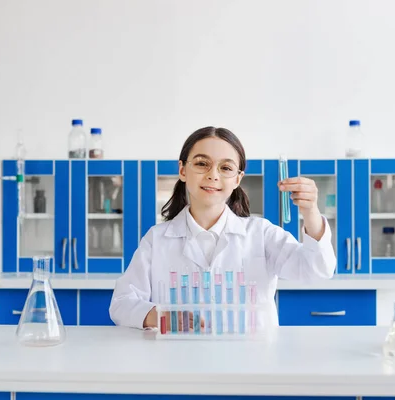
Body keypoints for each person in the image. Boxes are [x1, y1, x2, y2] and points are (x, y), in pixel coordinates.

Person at [109, 126, 336, 329]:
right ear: (182, 170)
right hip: (179, 362)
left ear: (238, 179)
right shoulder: (157, 239)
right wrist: (158, 315)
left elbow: (316, 270)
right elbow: (121, 303)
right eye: (201, 163)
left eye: (226, 168)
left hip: (251, 365)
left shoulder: (261, 234)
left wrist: (311, 213)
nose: (213, 175)